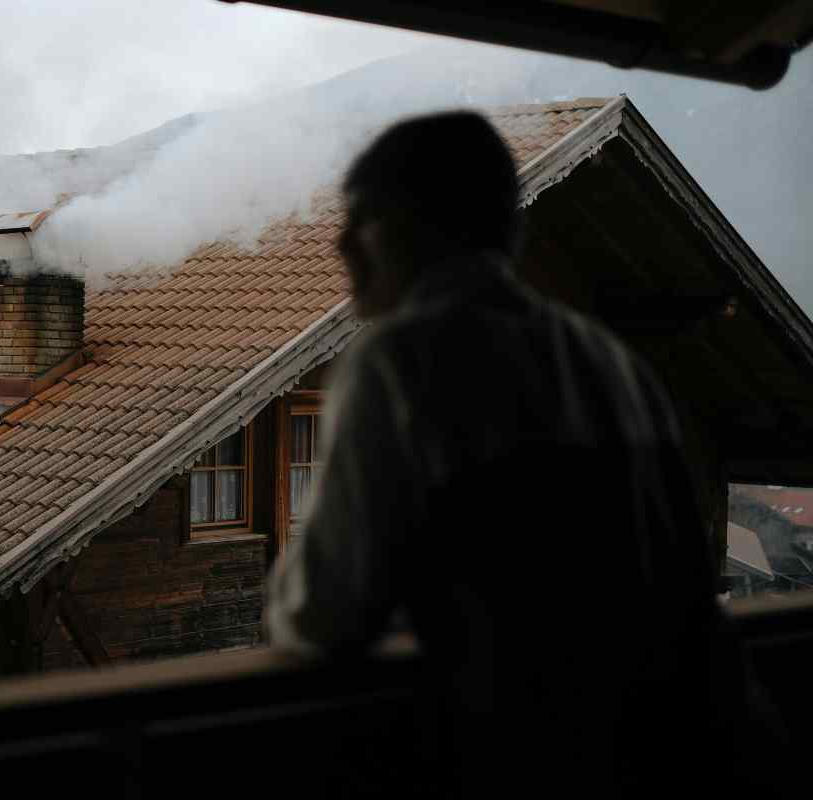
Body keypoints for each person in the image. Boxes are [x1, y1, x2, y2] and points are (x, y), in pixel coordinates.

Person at [265, 112, 785, 796]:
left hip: (538, 760)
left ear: (410, 224)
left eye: (359, 218)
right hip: (701, 747)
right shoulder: (610, 359)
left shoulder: (400, 360)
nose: (340, 244)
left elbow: (325, 615)